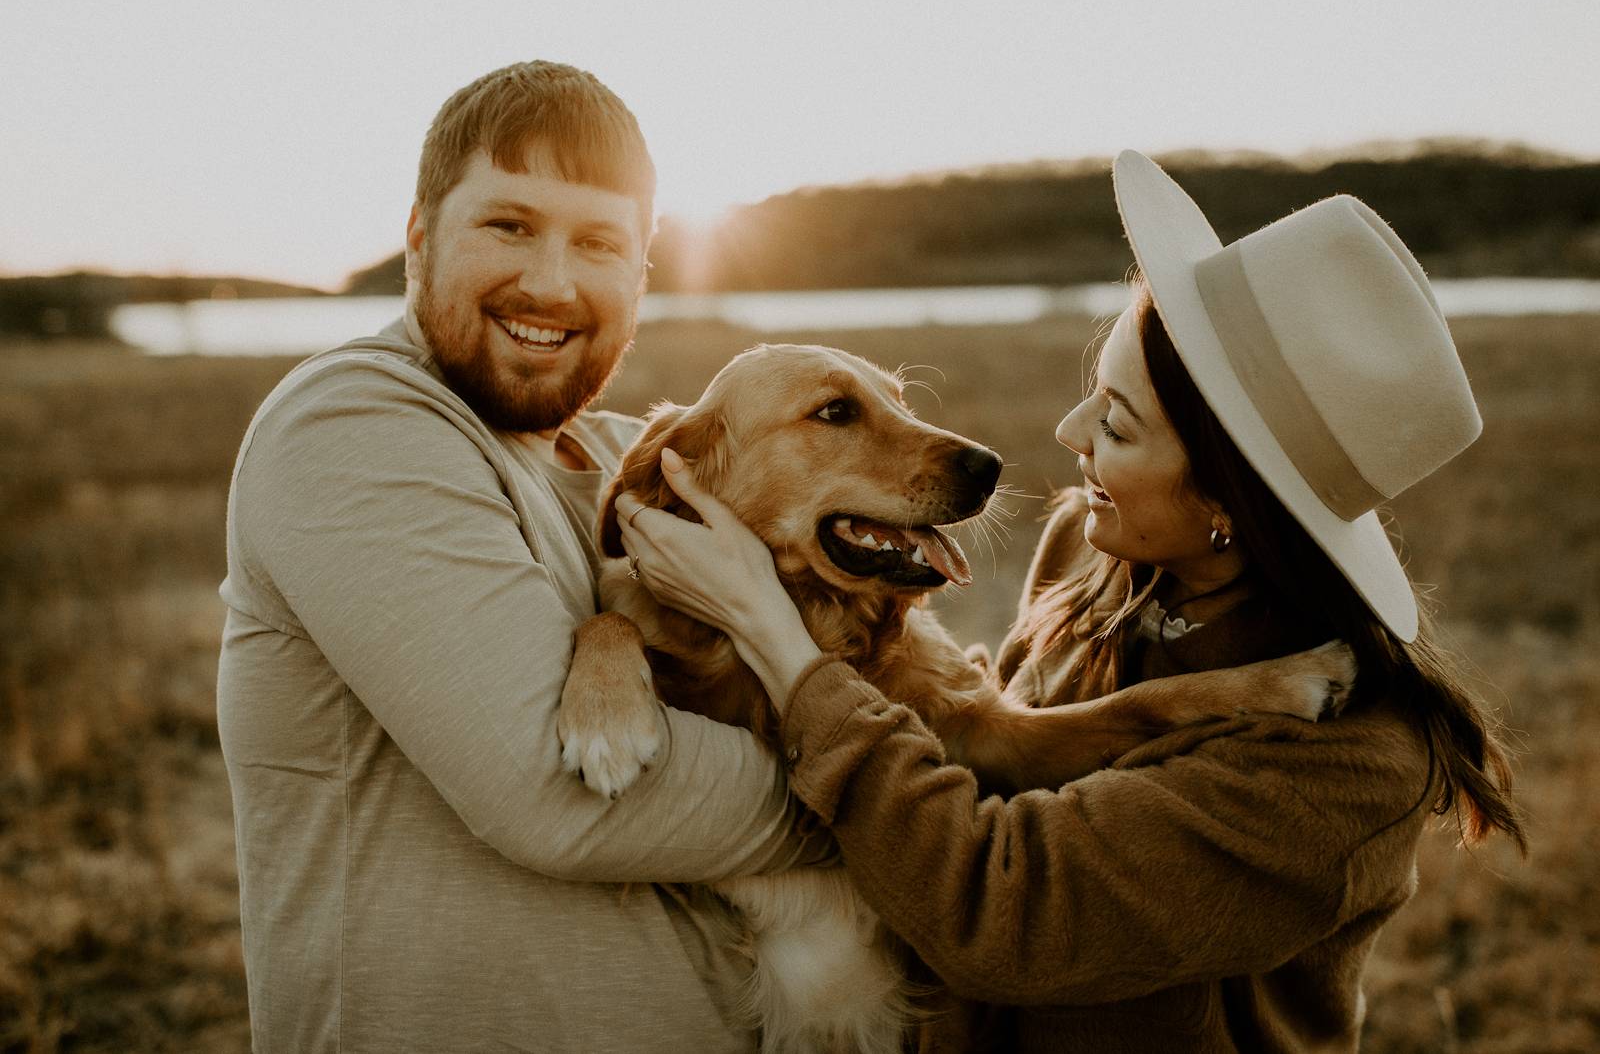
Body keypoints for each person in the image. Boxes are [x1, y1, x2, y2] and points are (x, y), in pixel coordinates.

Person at [614, 150, 1526, 1052]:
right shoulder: (1088, 565)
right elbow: (987, 754)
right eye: (1095, 393)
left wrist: (783, 648)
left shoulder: (1352, 766)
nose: (1065, 432)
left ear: (1224, 499)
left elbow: (997, 911)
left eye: (1117, 422)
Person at [216, 61, 828, 1053]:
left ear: (638, 276)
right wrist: (896, 804)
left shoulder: (627, 460)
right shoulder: (353, 423)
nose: (550, 280)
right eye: (508, 225)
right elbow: (559, 798)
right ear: (419, 238)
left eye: (596, 243)